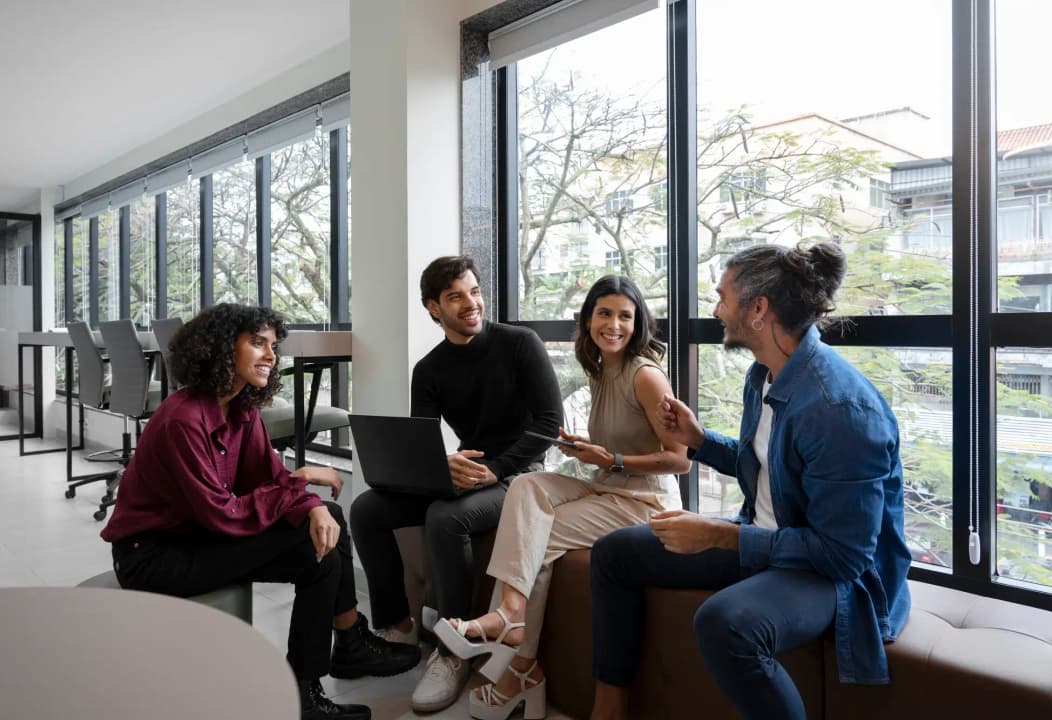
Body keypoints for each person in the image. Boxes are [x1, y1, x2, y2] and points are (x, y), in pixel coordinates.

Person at [588, 243, 912, 720]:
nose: (716, 310)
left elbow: (844, 556)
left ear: (758, 309)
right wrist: (699, 441)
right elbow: (765, 466)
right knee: (614, 553)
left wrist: (722, 536)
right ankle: (608, 711)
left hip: (835, 579)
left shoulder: (839, 409)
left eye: (723, 297)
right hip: (767, 540)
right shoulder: (764, 374)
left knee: (725, 624)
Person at [101, 304, 419, 720]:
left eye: (272, 345)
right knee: (315, 539)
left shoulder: (241, 410)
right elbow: (222, 513)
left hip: (196, 537)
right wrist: (303, 481)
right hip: (152, 556)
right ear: (220, 348)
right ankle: (334, 659)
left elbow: (267, 478)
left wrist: (309, 502)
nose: (270, 354)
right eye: (257, 343)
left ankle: (325, 667)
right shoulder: (183, 418)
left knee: (324, 532)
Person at [434, 274, 692, 720]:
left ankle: (519, 665)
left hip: (644, 502)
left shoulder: (646, 376)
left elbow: (680, 460)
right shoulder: (601, 370)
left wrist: (611, 459)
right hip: (607, 483)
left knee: (538, 537)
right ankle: (511, 616)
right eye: (604, 313)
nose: (614, 325)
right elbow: (618, 446)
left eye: (625, 316)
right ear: (588, 318)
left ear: (638, 324)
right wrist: (589, 450)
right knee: (527, 485)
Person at [348, 256, 563, 713]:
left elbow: (549, 423)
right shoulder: (429, 370)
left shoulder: (520, 344)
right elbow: (423, 442)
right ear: (434, 308)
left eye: (474, 292)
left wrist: (497, 468)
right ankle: (397, 626)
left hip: (522, 475)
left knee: (445, 517)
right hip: (470, 470)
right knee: (367, 510)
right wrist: (442, 465)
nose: (471, 304)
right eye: (455, 297)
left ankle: (453, 650)